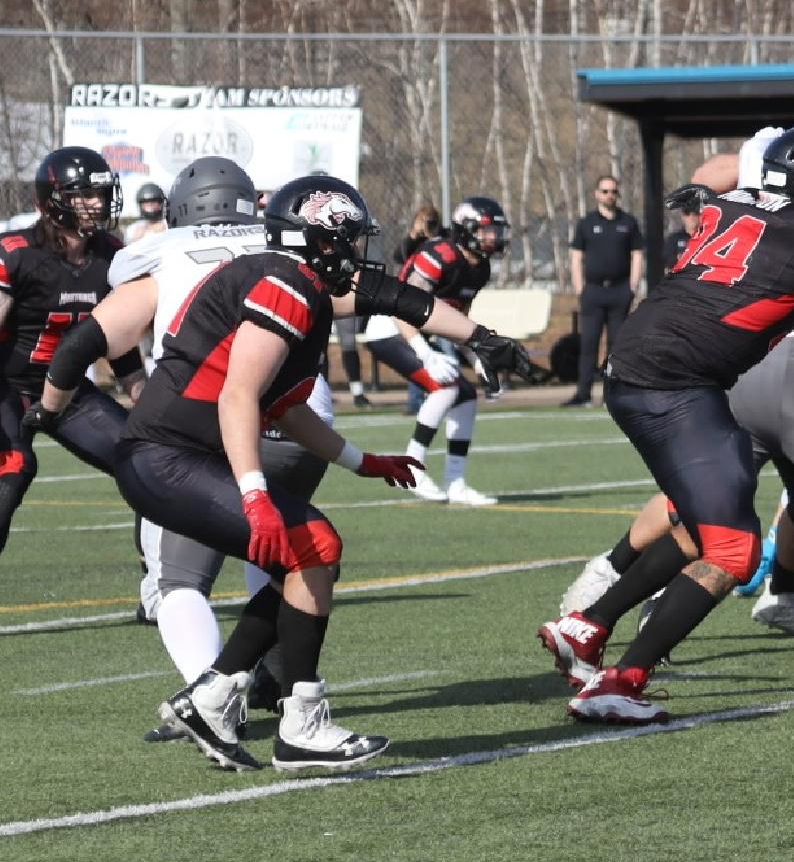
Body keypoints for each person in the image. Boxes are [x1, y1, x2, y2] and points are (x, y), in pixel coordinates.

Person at [37, 159, 538, 745]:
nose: (357, 253)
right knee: (306, 547)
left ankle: (218, 692)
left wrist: (364, 459)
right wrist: (254, 493)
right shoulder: (288, 286)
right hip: (170, 456)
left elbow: (291, 396)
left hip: (182, 453)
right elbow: (239, 397)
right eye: (348, 240)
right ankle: (292, 721)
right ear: (318, 242)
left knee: (298, 556)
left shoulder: (288, 280)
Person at [537, 124, 794, 724]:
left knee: (703, 522)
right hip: (676, 381)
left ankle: (586, 625)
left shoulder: (730, 201)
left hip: (645, 360)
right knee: (736, 550)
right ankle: (621, 682)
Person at [0, 146, 143, 557]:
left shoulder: (113, 257)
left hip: (65, 390)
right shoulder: (16, 253)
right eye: (83, 194)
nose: (96, 203)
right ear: (51, 200)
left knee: (148, 464)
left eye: (99, 193)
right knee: (13, 466)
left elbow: (123, 347)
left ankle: (163, 589)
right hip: (6, 386)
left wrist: (148, 404)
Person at [360, 195, 508, 505]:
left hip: (419, 333)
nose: (494, 237)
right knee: (446, 388)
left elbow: (458, 320)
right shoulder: (439, 254)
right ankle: (411, 468)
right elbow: (403, 307)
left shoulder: (479, 268)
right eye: (487, 230)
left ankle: (455, 482)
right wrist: (424, 352)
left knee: (466, 396)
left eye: (496, 230)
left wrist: (476, 357)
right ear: (467, 229)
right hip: (390, 327)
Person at [563, 174, 643, 407]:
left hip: (619, 292)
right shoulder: (586, 223)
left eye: (613, 192)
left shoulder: (628, 222)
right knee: (589, 343)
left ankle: (613, 395)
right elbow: (577, 256)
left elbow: (637, 254)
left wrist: (633, 286)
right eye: (605, 191)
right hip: (594, 292)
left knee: (616, 346)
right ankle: (583, 393)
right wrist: (580, 287)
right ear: (597, 194)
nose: (609, 196)